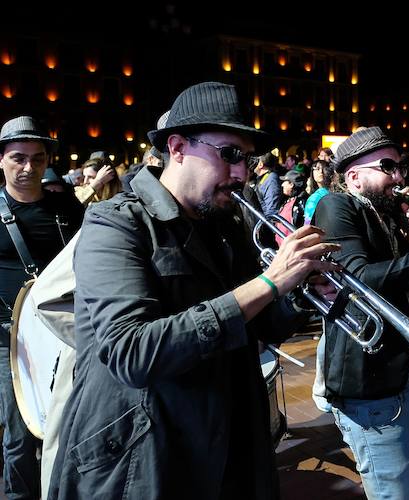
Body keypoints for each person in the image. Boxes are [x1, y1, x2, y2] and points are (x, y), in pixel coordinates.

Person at [47, 82, 338, 499]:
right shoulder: (114, 223)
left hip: (230, 445)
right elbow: (132, 353)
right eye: (230, 154)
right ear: (178, 146)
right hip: (148, 457)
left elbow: (256, 329)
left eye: (248, 158)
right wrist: (269, 281)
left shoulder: (226, 224)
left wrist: (298, 292)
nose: (241, 172)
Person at [312, 126, 409, 499]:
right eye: (387, 167)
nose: (398, 177)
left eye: (398, 167)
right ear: (354, 176)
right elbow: (359, 278)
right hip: (374, 391)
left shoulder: (388, 213)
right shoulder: (337, 207)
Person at [0, 115, 84, 500]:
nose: (28, 167)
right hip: (8, 342)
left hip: (64, 335)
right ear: (2, 160)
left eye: (37, 158)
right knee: (18, 438)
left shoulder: (66, 207)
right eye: (18, 158)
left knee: (69, 427)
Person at [303, 159, 335, 224]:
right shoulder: (314, 197)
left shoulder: (314, 197)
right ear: (312, 173)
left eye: (324, 168)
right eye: (317, 168)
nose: (321, 171)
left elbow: (307, 224)